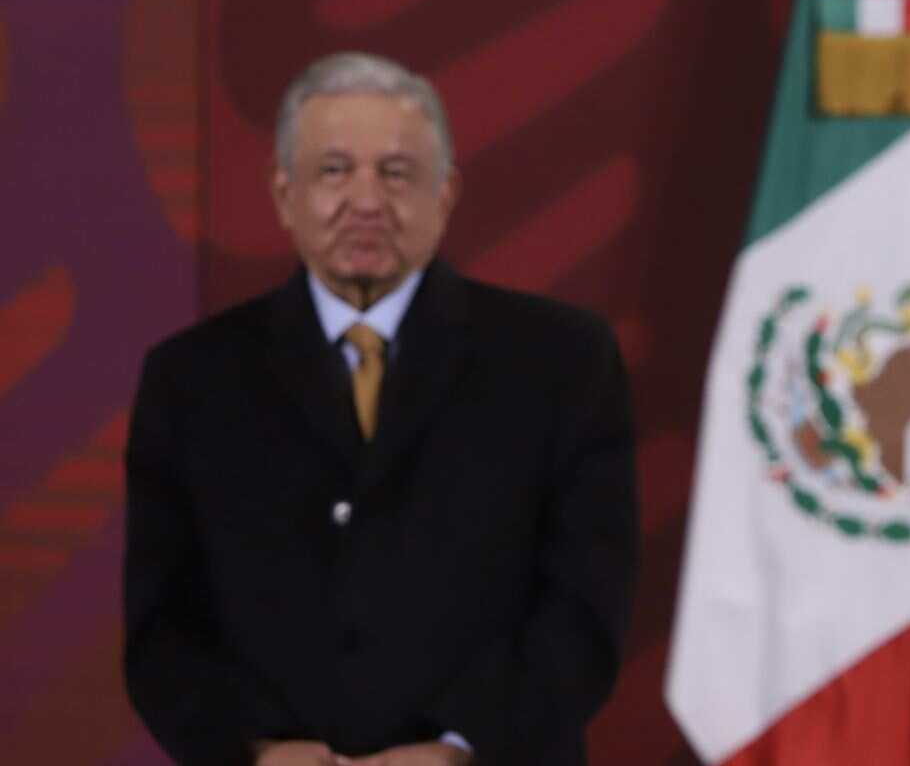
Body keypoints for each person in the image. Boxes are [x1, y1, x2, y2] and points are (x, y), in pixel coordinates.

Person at [122, 53, 637, 765]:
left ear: (446, 194)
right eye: (334, 170)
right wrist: (259, 749)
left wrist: (460, 748)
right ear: (284, 194)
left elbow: (585, 606)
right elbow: (162, 628)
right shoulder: (192, 379)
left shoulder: (561, 361)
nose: (366, 201)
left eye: (397, 173)